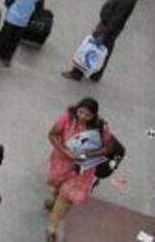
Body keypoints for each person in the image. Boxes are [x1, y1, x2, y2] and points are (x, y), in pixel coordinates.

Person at [45, 98, 116, 242]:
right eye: (80, 112)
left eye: (87, 115)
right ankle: (54, 196)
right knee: (55, 183)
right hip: (61, 161)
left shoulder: (101, 128)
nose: (82, 117)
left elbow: (108, 148)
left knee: (67, 196)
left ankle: (52, 228)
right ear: (76, 109)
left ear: (94, 116)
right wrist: (64, 152)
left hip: (82, 169)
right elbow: (52, 135)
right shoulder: (67, 118)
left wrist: (88, 155)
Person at [63, 0, 141, 81]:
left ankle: (77, 73)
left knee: (91, 48)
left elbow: (116, 18)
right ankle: (96, 74)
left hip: (107, 26)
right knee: (104, 50)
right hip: (111, 28)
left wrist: (103, 34)